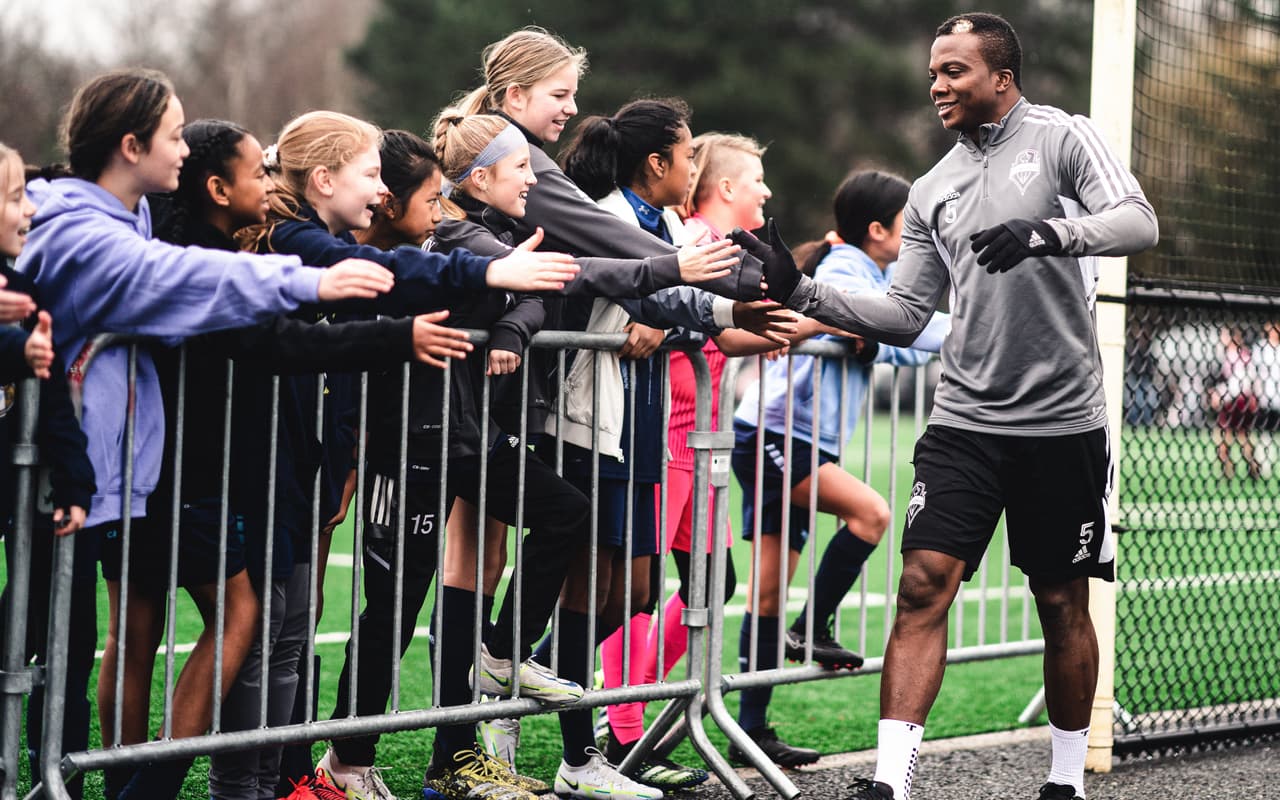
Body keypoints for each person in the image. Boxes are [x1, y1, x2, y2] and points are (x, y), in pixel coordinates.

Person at [738, 14, 1158, 800]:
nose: (938, 84)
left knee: (1062, 601)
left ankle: (1065, 782)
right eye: (934, 71)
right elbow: (903, 312)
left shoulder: (1063, 139)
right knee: (924, 582)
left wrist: (1048, 234)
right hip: (964, 421)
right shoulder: (932, 188)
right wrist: (804, 291)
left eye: (955, 70)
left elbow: (1138, 221)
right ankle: (890, 784)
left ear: (1001, 76)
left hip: (1063, 424)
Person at [13, 69, 397, 800]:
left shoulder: (136, 218)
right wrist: (313, 285)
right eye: (170, 135)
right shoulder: (111, 232)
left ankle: (100, 782)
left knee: (109, 635)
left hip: (130, 473)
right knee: (200, 620)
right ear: (132, 145)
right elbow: (188, 280)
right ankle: (127, 789)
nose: (182, 148)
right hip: (146, 472)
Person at [729, 170, 949, 768]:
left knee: (767, 593)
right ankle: (814, 627)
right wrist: (854, 323)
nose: (916, 234)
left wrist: (865, 334)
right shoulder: (845, 271)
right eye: (909, 222)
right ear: (877, 230)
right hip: (776, 432)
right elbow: (893, 325)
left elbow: (901, 337)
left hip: (794, 437)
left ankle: (749, 731)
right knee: (871, 513)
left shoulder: (868, 276)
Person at [1207, 325, 1261, 480]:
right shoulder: (1245, 355)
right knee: (1242, 435)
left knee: (1224, 435)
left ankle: (1228, 468)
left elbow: (1238, 383)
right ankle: (1251, 465)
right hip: (1243, 400)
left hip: (1235, 401)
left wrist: (1220, 395)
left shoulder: (1234, 356)